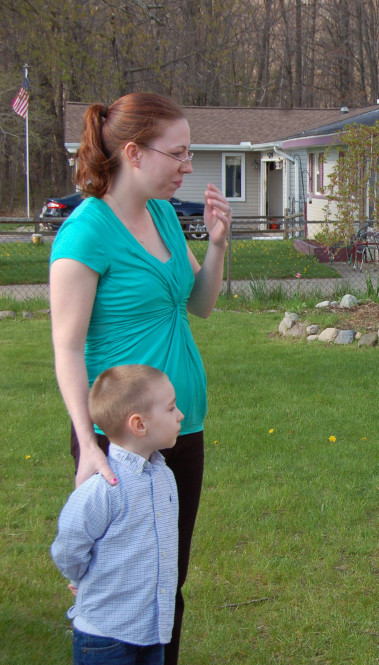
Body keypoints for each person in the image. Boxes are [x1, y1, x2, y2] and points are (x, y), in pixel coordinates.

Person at [49, 92, 232, 665]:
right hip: (119, 438)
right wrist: (88, 447)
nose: (187, 165)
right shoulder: (85, 234)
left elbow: (197, 305)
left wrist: (218, 246)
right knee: (117, 587)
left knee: (165, 581)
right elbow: (68, 347)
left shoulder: (161, 215)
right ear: (133, 152)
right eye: (177, 153)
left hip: (178, 425)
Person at [51, 365, 184, 665]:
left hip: (151, 632)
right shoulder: (104, 489)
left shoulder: (163, 477)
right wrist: (80, 576)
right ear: (139, 425)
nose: (180, 415)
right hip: (105, 637)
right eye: (171, 408)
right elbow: (69, 545)